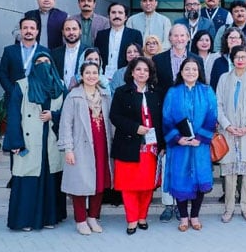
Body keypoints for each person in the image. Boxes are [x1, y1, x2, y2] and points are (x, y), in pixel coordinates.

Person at [3, 51, 67, 231]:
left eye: (47, 61)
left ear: (52, 64)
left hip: (51, 139)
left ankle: (49, 218)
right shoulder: (22, 85)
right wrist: (15, 142)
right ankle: (25, 220)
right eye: (39, 62)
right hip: (29, 139)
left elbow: (68, 113)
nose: (43, 64)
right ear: (33, 65)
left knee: (50, 178)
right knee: (28, 180)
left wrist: (53, 115)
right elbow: (14, 114)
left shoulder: (60, 86)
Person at [109, 57, 165, 235]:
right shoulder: (121, 92)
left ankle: (142, 217)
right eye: (139, 69)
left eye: (146, 70)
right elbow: (115, 117)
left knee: (147, 185)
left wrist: (163, 144)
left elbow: (162, 120)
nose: (142, 73)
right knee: (129, 185)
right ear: (132, 72)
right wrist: (135, 128)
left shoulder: (156, 93)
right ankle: (132, 219)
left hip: (151, 147)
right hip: (128, 144)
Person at [162, 57, 217, 232]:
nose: (191, 72)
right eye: (187, 69)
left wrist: (200, 138)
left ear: (199, 71)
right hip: (179, 146)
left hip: (200, 146)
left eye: (194, 69)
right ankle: (183, 217)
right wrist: (178, 138)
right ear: (181, 71)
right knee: (180, 180)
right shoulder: (173, 92)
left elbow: (212, 115)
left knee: (200, 179)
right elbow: (166, 118)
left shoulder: (207, 91)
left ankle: (195, 216)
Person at [59, 60, 113, 235]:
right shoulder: (73, 96)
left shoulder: (105, 96)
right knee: (79, 184)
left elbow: (111, 123)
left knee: (99, 182)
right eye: (87, 73)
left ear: (99, 76)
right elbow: (66, 124)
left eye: (94, 73)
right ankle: (81, 219)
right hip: (81, 146)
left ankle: (93, 217)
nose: (91, 76)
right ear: (81, 76)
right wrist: (68, 149)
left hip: (102, 145)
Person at [216, 45, 246, 223]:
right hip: (229, 132)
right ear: (232, 59)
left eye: (243, 57)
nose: (240, 60)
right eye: (237, 57)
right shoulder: (223, 79)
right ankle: (229, 209)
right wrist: (227, 126)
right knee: (229, 176)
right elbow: (218, 104)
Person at [0, 17, 49, 105]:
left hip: (37, 99)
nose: (28, 31)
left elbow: (48, 75)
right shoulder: (9, 51)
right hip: (13, 99)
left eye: (32, 28)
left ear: (37, 31)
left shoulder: (45, 52)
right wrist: (14, 92)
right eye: (25, 28)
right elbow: (2, 75)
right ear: (20, 31)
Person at [94, 3, 143, 79]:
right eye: (113, 12)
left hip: (126, 77)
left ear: (126, 17)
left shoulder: (135, 34)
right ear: (108, 16)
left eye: (120, 13)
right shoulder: (101, 35)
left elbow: (139, 58)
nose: (117, 16)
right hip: (103, 77)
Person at [52, 18, 88, 89]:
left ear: (80, 31)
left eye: (74, 29)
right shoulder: (55, 53)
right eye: (67, 29)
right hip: (60, 95)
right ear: (63, 32)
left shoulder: (88, 52)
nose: (71, 32)